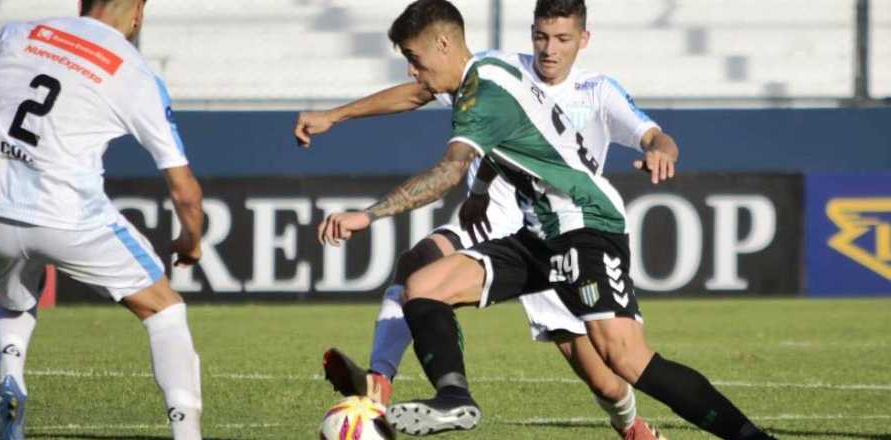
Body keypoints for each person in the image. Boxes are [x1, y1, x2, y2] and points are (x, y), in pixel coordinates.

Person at [317, 0, 777, 439]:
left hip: (585, 225)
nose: (412, 72)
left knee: (624, 360)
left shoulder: (493, 92)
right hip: (537, 230)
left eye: (414, 59)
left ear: (443, 44)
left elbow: (448, 172)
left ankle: (749, 437)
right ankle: (453, 397)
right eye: (542, 36)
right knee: (423, 284)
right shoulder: (491, 71)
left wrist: (369, 215)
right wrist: (481, 190)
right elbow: (513, 138)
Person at [0, 1, 205, 439]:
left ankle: (11, 379)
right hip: (69, 218)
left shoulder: (17, 34)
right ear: (138, 12)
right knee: (164, 309)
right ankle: (188, 434)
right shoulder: (135, 73)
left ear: (81, 3)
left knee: (17, 298)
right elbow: (185, 190)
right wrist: (191, 240)